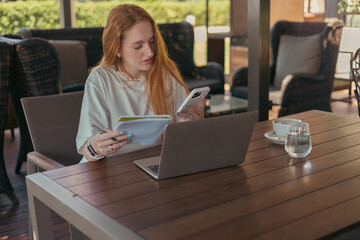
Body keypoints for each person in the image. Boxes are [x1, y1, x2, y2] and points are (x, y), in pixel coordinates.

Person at [76, 4, 205, 163]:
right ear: (116, 48)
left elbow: (181, 139)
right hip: (108, 171)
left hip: (152, 165)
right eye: (138, 46)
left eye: (152, 42)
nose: (150, 52)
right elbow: (89, 152)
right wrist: (95, 147)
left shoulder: (165, 74)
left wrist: (194, 122)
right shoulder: (101, 79)